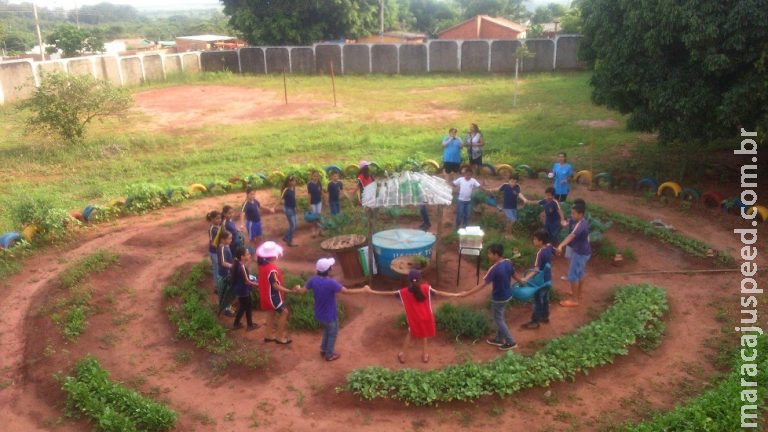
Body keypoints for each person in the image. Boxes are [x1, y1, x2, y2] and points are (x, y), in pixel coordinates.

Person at [366, 269, 460, 363]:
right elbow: (440, 293)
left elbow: (387, 293)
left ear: (409, 280)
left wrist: (370, 291)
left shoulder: (404, 292)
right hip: (426, 318)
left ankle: (403, 356)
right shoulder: (426, 288)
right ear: (420, 279)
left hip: (414, 320)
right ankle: (425, 355)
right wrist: (457, 295)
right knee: (424, 335)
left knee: (410, 335)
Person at [293, 258, 368, 361]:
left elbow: (302, 291)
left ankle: (323, 349)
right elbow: (346, 292)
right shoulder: (331, 283)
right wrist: (363, 290)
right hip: (330, 315)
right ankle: (329, 354)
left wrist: (297, 288)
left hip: (319, 313)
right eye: (331, 266)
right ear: (329, 270)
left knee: (327, 331)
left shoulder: (313, 280)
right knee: (332, 333)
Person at [461, 243, 525, 350]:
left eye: (489, 254)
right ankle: (499, 339)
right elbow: (514, 274)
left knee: (498, 319)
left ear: (496, 255)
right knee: (500, 317)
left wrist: (466, 293)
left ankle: (511, 342)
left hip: (499, 298)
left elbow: (482, 285)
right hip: (508, 295)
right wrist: (521, 281)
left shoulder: (494, 268)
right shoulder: (508, 262)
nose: (488, 255)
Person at [256, 241, 293, 344]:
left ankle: (268, 335)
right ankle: (279, 337)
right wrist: (290, 290)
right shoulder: (272, 269)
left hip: (266, 295)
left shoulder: (262, 266)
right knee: (284, 312)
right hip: (273, 296)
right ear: (273, 256)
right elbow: (275, 286)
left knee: (271, 313)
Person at [557, 199, 591, 307]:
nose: (571, 215)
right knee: (580, 273)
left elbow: (571, 236)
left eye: (573, 213)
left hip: (580, 253)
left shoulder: (580, 225)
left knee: (572, 275)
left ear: (581, 214)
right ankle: (578, 293)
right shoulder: (580, 222)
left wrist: (561, 245)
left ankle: (575, 300)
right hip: (583, 252)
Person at [520, 229, 555, 329]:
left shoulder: (540, 253)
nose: (533, 240)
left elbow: (536, 269)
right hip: (548, 279)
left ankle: (535, 322)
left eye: (535, 239)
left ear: (540, 241)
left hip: (540, 281)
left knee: (537, 300)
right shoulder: (549, 246)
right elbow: (556, 251)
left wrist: (525, 278)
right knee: (545, 298)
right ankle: (545, 316)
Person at [231, 247, 259, 330]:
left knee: (245, 306)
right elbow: (247, 281)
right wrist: (257, 284)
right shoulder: (242, 267)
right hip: (243, 290)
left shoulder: (238, 264)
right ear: (242, 257)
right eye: (247, 254)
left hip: (240, 289)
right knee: (246, 306)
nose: (249, 255)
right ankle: (248, 325)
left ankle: (239, 324)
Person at [494, 173, 529, 237]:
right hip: (506, 207)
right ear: (509, 180)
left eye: (515, 182)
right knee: (513, 220)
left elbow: (519, 194)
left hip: (514, 207)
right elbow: (497, 189)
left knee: (510, 220)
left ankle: (507, 232)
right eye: (512, 181)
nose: (513, 183)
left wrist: (524, 199)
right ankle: (508, 234)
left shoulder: (517, 187)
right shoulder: (505, 185)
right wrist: (489, 190)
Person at [216, 230, 236, 316]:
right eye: (229, 238)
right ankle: (225, 309)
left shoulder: (226, 246)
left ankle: (226, 307)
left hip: (226, 273)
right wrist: (233, 266)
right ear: (222, 239)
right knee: (225, 292)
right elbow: (223, 262)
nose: (231, 240)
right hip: (224, 274)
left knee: (228, 292)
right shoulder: (223, 248)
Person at [206, 210, 222, 294]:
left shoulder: (218, 226)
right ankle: (216, 287)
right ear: (212, 219)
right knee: (216, 269)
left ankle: (219, 285)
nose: (219, 220)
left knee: (218, 268)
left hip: (217, 252)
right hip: (214, 252)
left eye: (220, 218)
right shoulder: (212, 229)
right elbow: (213, 243)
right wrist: (221, 246)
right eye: (217, 218)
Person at [280, 175, 298, 247]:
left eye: (294, 181)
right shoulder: (286, 190)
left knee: (294, 225)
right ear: (289, 182)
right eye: (293, 181)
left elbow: (294, 198)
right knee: (293, 225)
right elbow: (281, 199)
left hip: (292, 208)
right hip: (288, 209)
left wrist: (296, 206)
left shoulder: (293, 188)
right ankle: (289, 241)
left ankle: (286, 237)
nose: (294, 182)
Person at [307, 170, 324, 237]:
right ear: (311, 176)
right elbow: (309, 195)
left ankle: (320, 231)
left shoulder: (319, 183)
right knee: (313, 218)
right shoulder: (310, 184)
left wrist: (325, 200)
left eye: (317, 176)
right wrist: (309, 204)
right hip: (313, 203)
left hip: (319, 202)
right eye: (314, 176)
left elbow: (321, 192)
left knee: (319, 217)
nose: (315, 177)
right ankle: (313, 232)